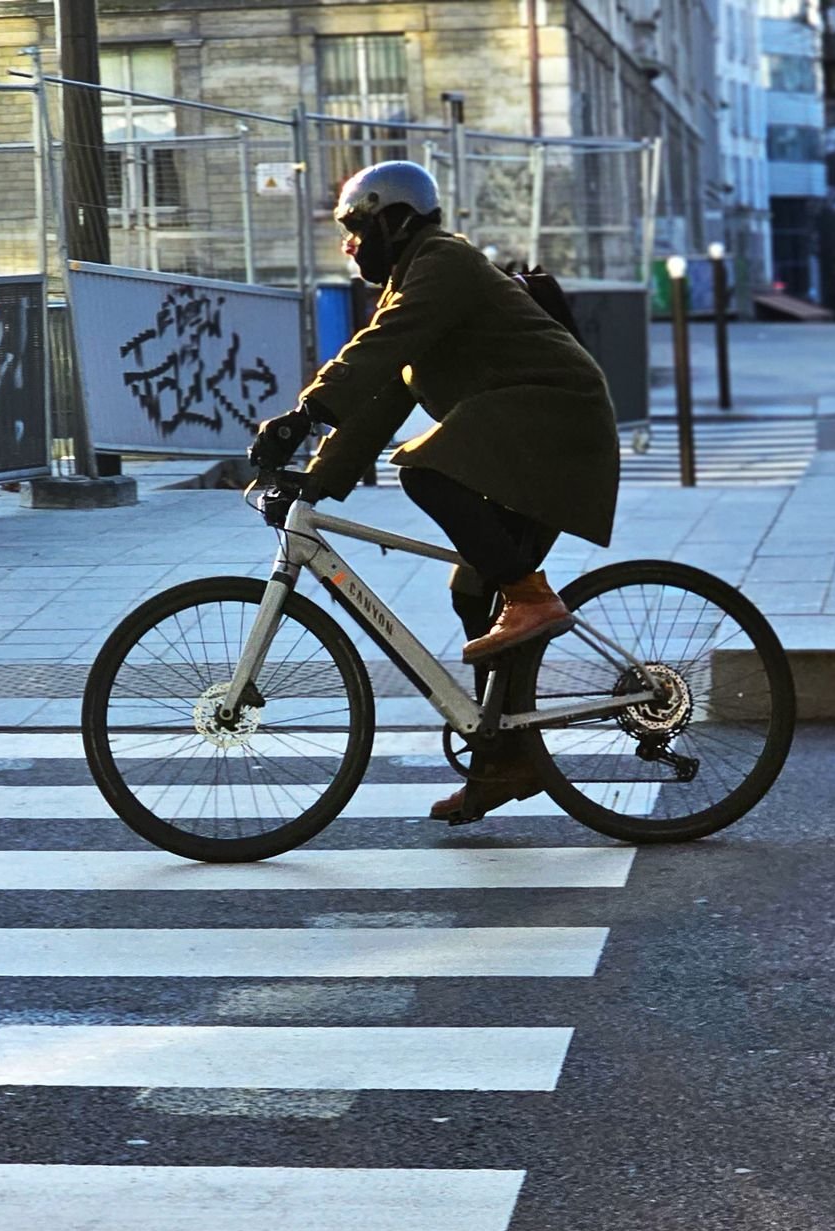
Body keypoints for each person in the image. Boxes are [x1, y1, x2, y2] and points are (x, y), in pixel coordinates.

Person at [248, 160, 621, 823]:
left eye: (358, 228)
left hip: (554, 421)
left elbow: (379, 345)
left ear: (395, 219)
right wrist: (316, 479)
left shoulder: (441, 261)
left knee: (423, 468)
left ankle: (532, 598)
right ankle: (503, 762)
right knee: (472, 589)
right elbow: (380, 397)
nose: (351, 245)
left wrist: (303, 414)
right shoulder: (413, 283)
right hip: (536, 435)